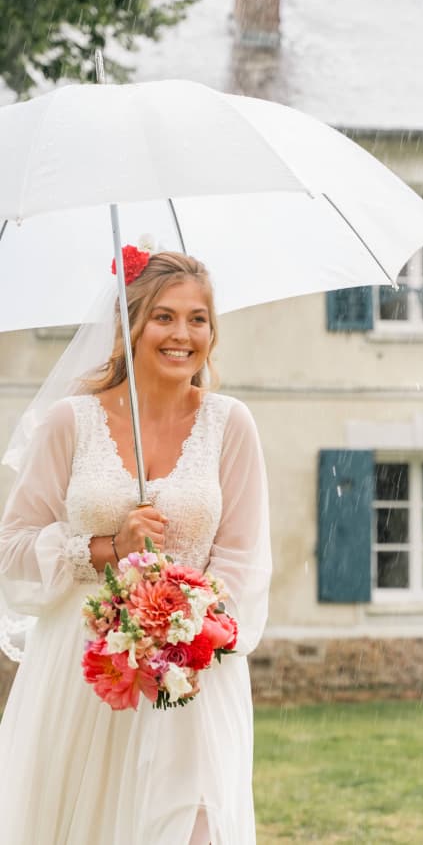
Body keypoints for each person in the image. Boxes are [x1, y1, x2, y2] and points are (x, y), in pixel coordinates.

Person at [0, 250, 272, 844]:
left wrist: (183, 629)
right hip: (86, 670)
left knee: (189, 826)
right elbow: (12, 551)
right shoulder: (69, 423)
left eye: (198, 319)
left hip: (194, 672)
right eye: (164, 317)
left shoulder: (232, 424)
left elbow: (244, 562)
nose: (183, 335)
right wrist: (107, 546)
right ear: (128, 327)